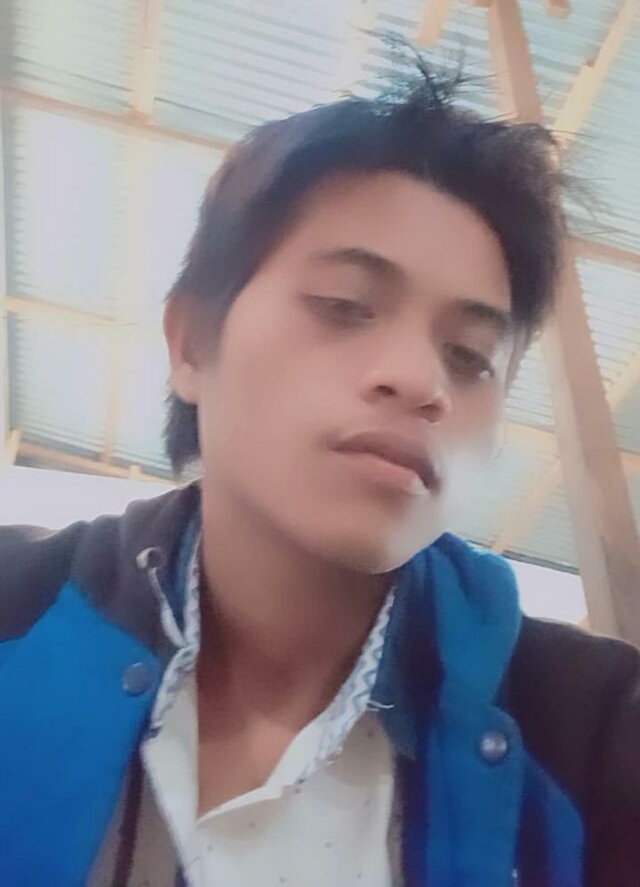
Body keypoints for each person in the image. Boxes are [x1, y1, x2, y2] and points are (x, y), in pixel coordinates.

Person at [0, 62, 638, 887]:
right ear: (191, 343)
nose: (421, 381)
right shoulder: (18, 606)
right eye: (344, 305)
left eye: (469, 355)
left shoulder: (594, 734)